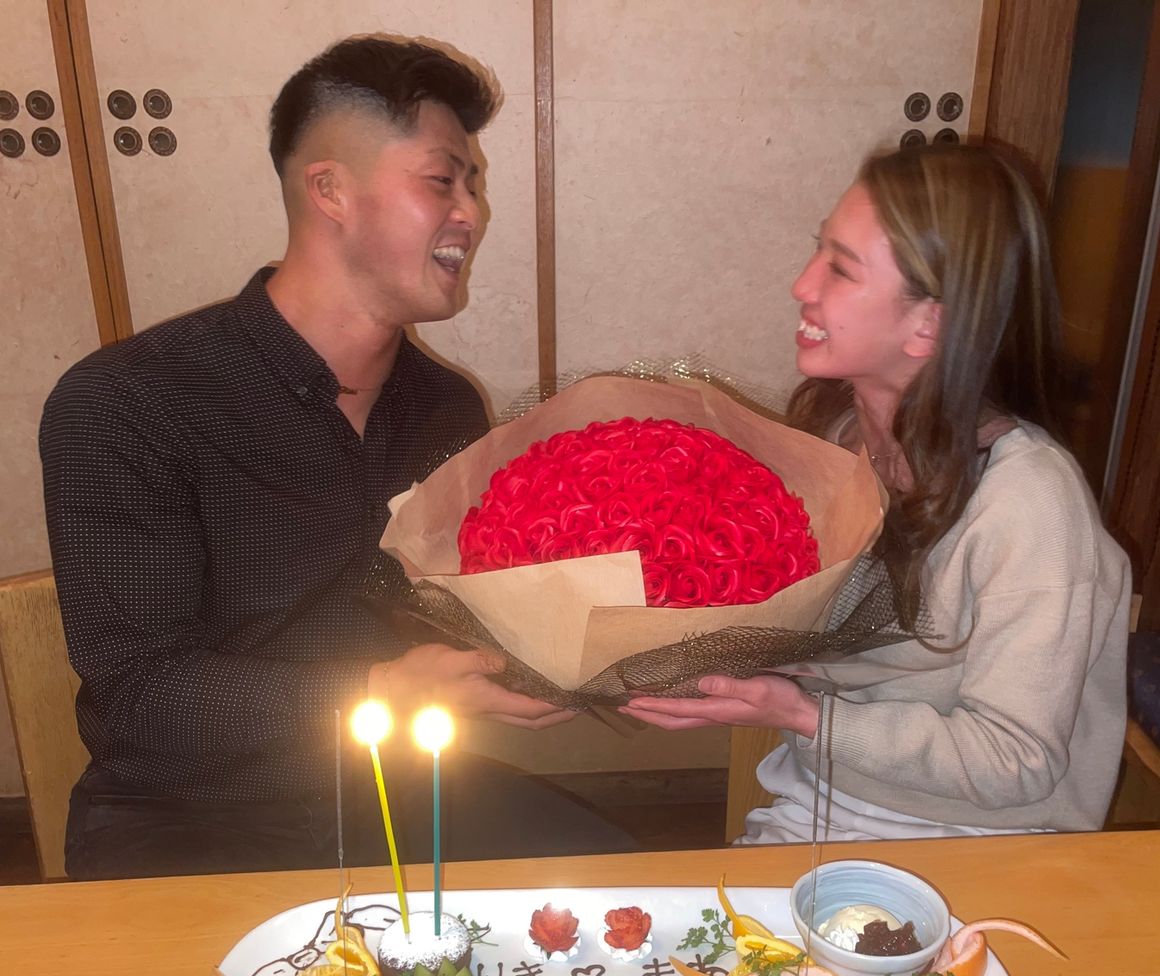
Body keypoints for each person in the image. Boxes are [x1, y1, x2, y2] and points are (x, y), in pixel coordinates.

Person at [40, 35, 636, 879]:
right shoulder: (130, 402)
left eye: (474, 184)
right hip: (185, 813)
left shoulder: (444, 407)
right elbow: (141, 693)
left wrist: (596, 640)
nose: (472, 212)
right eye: (443, 181)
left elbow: (452, 609)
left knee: (627, 897)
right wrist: (378, 690)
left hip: (398, 784)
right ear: (331, 191)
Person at [622, 143, 1131, 840]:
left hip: (981, 841)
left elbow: (1016, 760)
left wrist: (801, 714)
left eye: (840, 268)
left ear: (929, 324)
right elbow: (795, 622)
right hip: (819, 794)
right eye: (818, 251)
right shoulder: (836, 436)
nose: (802, 284)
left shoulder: (1030, 505)